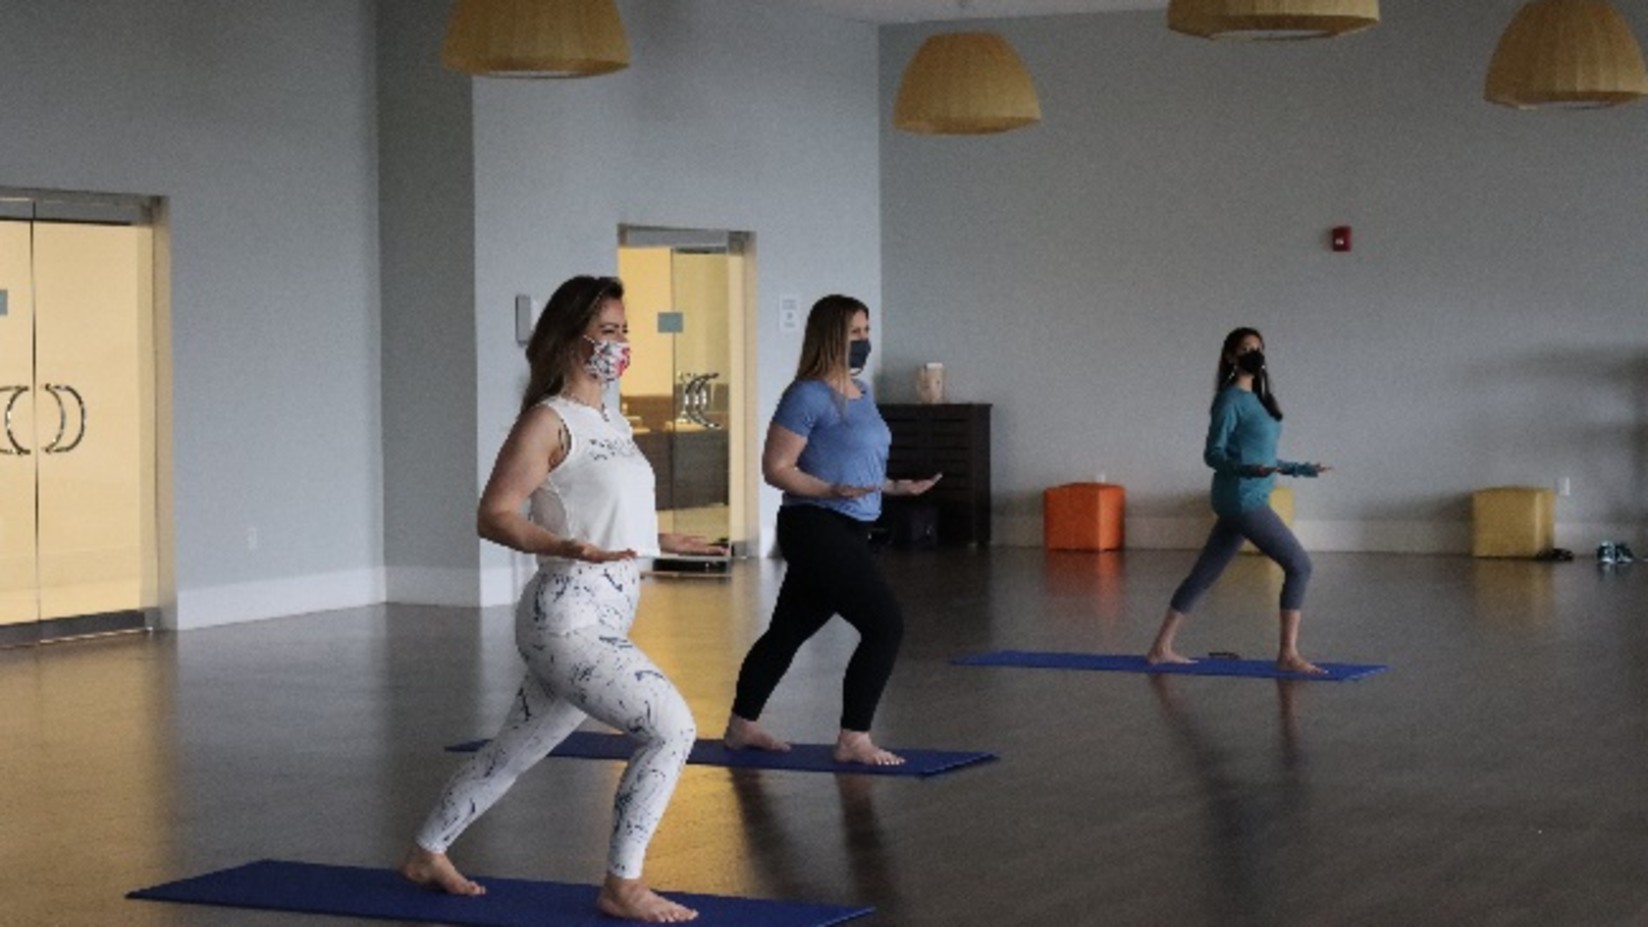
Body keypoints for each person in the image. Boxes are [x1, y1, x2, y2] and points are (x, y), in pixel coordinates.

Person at [400, 275, 723, 924]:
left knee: (513, 750)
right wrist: (564, 545)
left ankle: (426, 851)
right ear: (571, 339)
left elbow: (605, 511)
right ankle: (622, 883)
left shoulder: (610, 417)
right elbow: (493, 514)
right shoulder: (547, 421)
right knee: (671, 727)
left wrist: (659, 536)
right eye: (610, 331)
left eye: (624, 331)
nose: (622, 343)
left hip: (609, 606)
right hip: (566, 618)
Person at [721, 294, 940, 766]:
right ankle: (853, 738)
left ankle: (742, 725)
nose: (864, 341)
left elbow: (852, 468)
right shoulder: (806, 395)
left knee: (787, 632)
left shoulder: (863, 394)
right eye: (854, 334)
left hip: (851, 526)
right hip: (813, 525)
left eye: (866, 331)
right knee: (885, 626)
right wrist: (825, 491)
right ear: (830, 338)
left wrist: (896, 486)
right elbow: (776, 468)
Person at [1146, 327, 1331, 675]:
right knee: (1300, 566)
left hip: (1245, 497)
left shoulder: (1260, 401)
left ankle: (1160, 648)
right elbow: (1212, 454)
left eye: (1258, 348)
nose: (1253, 353)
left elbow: (1265, 456)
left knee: (1204, 574)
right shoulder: (1230, 399)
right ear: (1231, 357)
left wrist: (1304, 469)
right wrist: (1244, 468)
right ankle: (1288, 654)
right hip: (1241, 498)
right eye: (1245, 348)